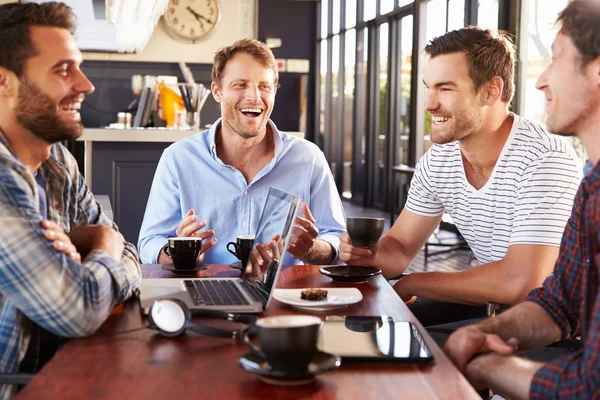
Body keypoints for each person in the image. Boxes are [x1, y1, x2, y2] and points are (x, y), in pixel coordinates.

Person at [339, 26, 582, 328]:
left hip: (559, 321)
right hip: (491, 303)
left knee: (419, 343)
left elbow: (523, 282)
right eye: (428, 87)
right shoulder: (439, 160)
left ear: (491, 90)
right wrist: (368, 254)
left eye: (445, 88)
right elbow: (399, 248)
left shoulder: (544, 159)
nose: (429, 103)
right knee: (366, 324)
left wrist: (412, 282)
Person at [444, 2, 600, 398]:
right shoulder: (592, 188)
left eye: (557, 59)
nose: (540, 81)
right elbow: (559, 304)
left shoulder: (551, 161)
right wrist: (482, 333)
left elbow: (588, 388)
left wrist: (487, 364)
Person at [0, 2, 141, 398]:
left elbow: (123, 250)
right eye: (63, 70)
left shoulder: (56, 158)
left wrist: (96, 246)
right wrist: (104, 245)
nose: (86, 85)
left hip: (61, 367)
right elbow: (77, 308)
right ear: (4, 82)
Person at [138, 39, 345, 268]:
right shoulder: (178, 158)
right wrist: (176, 252)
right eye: (240, 85)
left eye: (264, 86)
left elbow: (336, 238)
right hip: (205, 291)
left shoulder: (309, 158)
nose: (254, 96)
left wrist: (311, 249)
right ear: (217, 91)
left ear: (274, 92)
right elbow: (149, 242)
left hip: (284, 296)